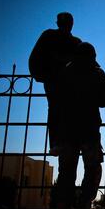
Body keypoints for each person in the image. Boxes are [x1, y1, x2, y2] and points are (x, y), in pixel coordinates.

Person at [54, 42, 105, 209]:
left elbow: (56, 103)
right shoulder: (96, 72)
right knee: (93, 168)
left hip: (67, 129)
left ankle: (63, 208)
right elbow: (104, 101)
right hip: (89, 128)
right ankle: (84, 206)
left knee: (66, 170)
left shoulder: (64, 73)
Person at [28, 12, 82, 156]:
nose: (66, 26)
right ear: (58, 24)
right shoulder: (49, 36)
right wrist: (42, 76)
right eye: (63, 23)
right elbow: (35, 58)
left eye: (68, 23)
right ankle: (58, 143)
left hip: (70, 84)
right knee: (56, 109)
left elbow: (85, 62)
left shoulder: (75, 42)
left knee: (64, 111)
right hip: (55, 81)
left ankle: (66, 142)